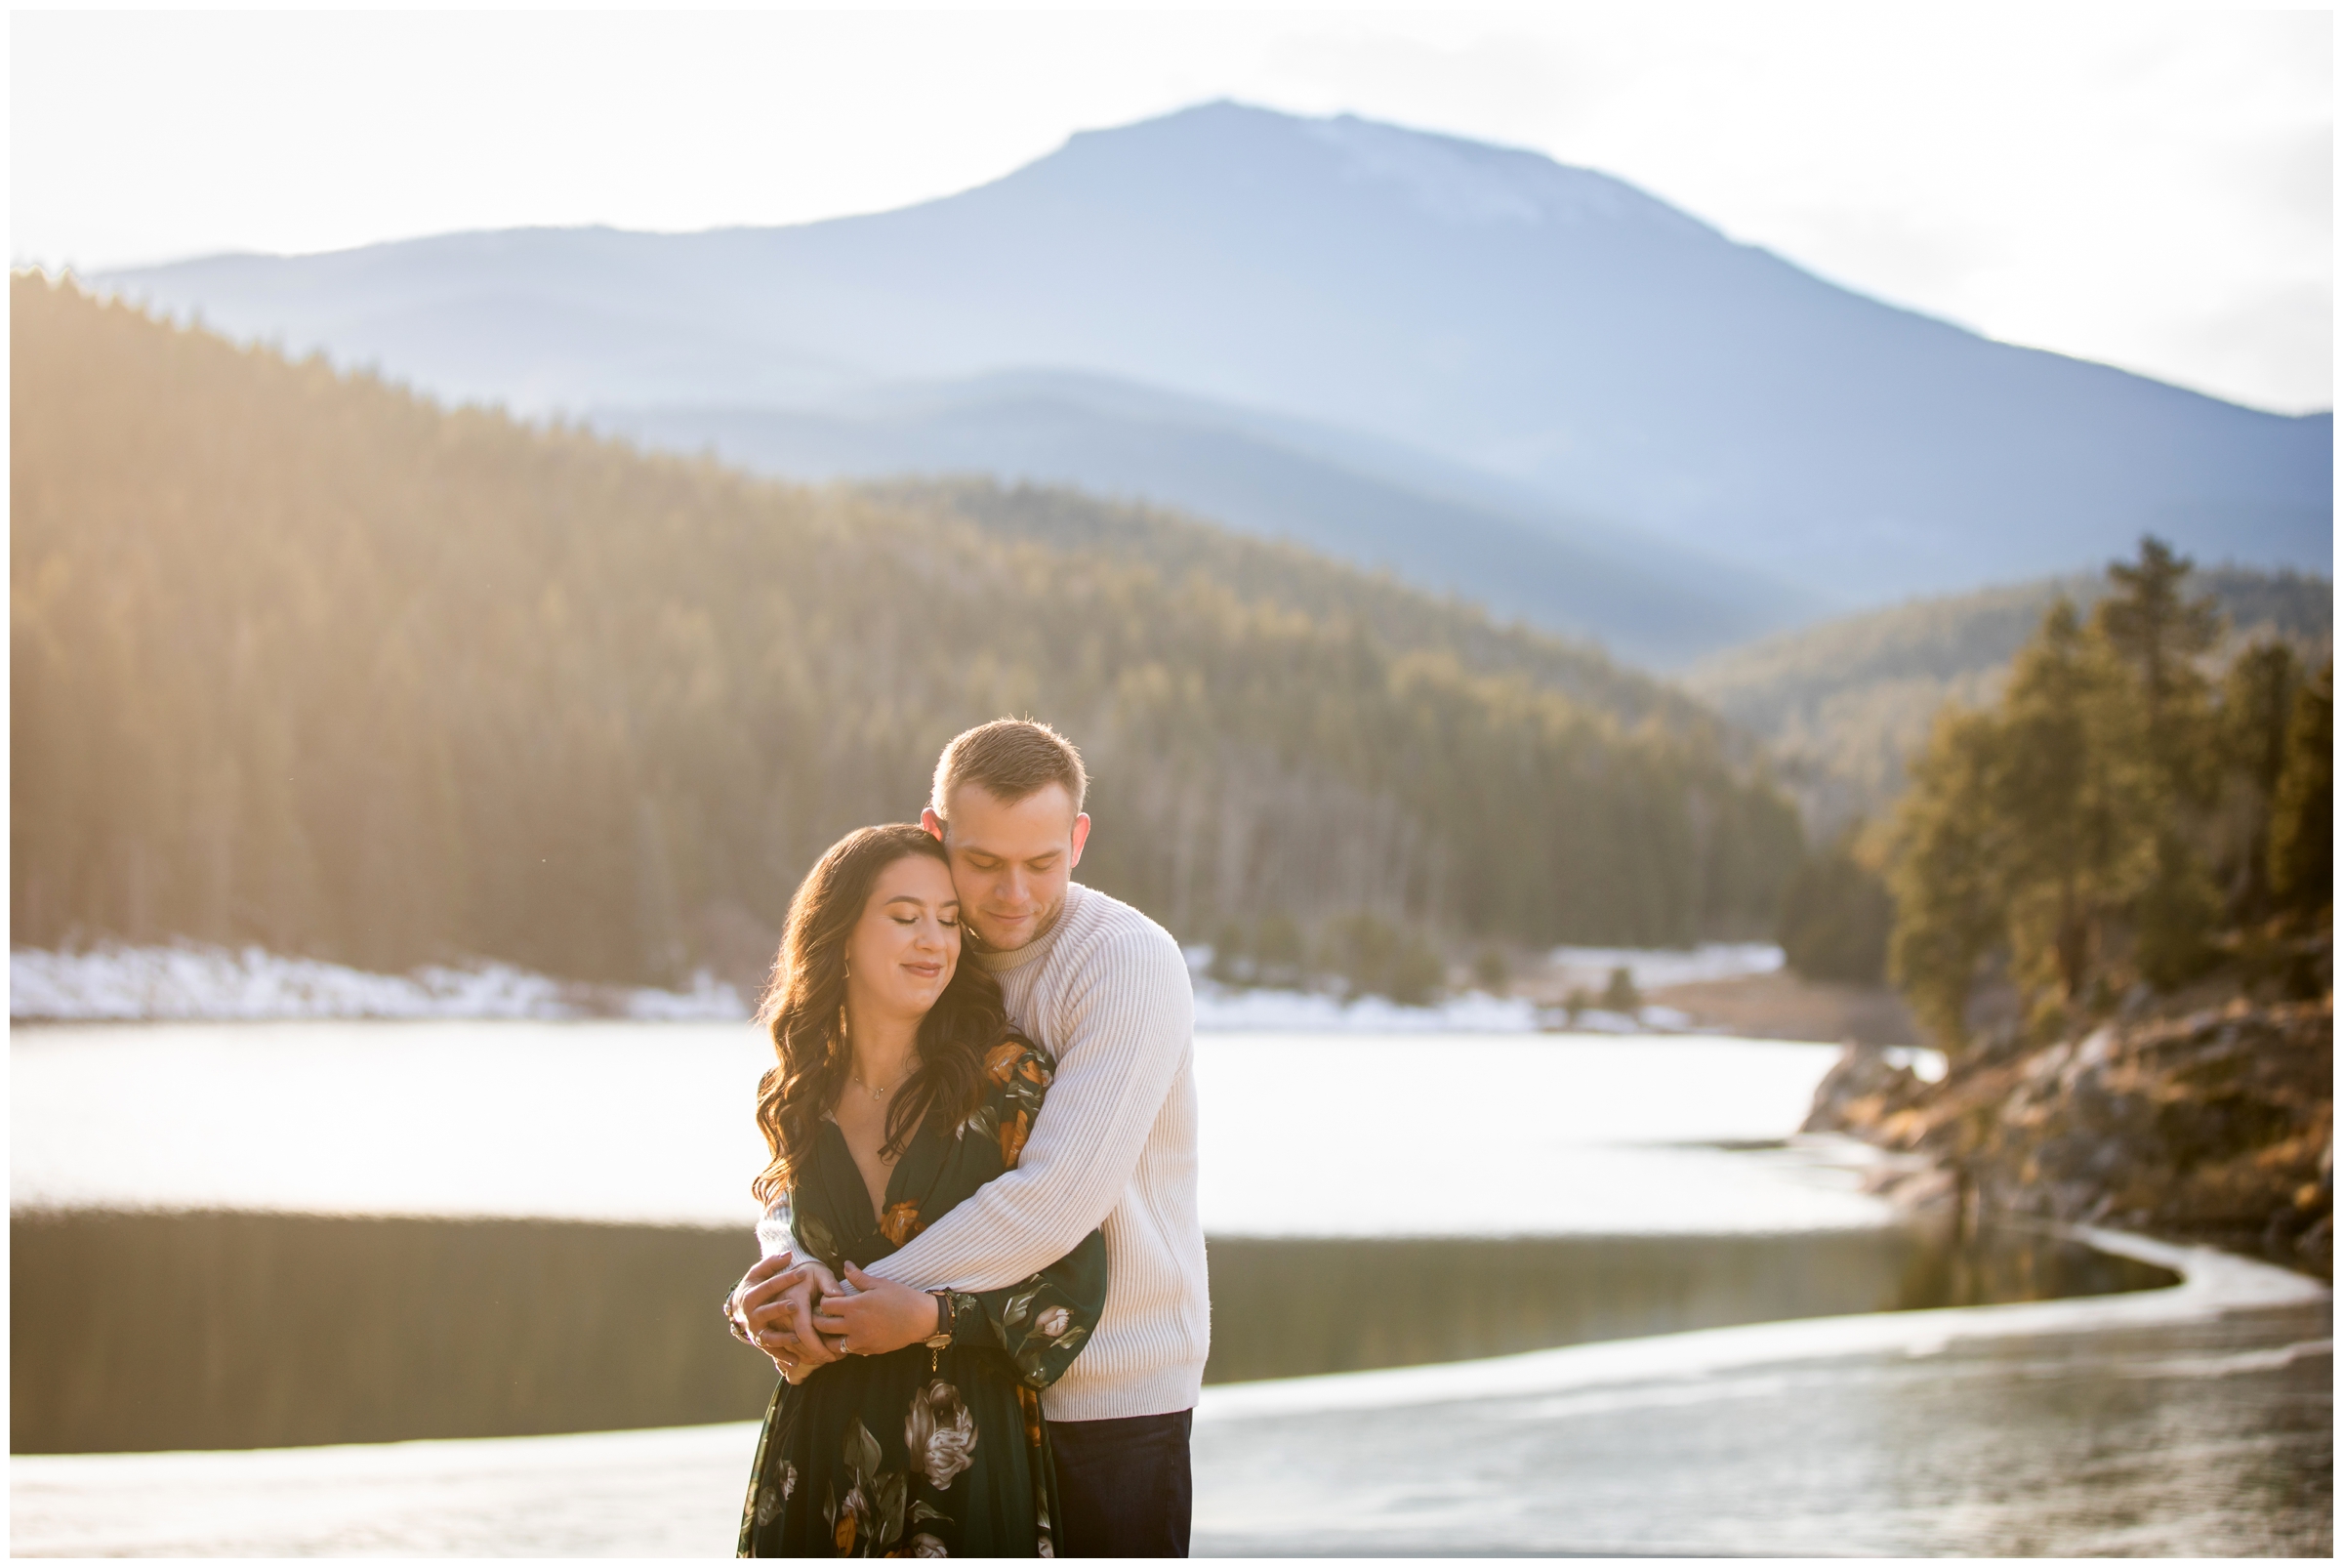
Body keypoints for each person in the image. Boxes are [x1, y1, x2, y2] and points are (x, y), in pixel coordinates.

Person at [731, 720, 1207, 1557]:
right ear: (935, 832)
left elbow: (1056, 1200)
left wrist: (839, 1312)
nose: (1010, 895)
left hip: (1106, 1397)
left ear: (1079, 841)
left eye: (1041, 864)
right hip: (942, 1389)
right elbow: (824, 1150)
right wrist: (786, 1274)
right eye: (982, 863)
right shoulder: (939, 951)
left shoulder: (1124, 962)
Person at [734, 822, 1107, 1557]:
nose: (934, 942)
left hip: (960, 1453)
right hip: (816, 1446)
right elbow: (784, 1236)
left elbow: (1074, 1288)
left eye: (948, 921)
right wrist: (757, 1307)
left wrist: (933, 1319)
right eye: (906, 918)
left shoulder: (1006, 1080)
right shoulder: (798, 1092)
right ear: (840, 934)